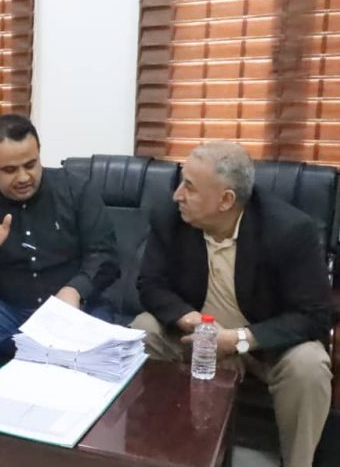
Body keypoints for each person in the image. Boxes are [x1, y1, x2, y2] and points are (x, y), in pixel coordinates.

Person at [133, 141, 333, 467]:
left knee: (309, 365)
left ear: (226, 200)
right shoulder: (171, 217)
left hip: (264, 347)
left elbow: (315, 315)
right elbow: (151, 285)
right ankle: (155, 451)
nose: (177, 195)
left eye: (190, 187)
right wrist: (192, 321)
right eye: (181, 182)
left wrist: (238, 340)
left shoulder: (289, 230)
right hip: (196, 339)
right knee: (144, 329)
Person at [0, 114, 120, 388]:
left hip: (74, 307)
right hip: (8, 311)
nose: (24, 177)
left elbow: (105, 255)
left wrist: (75, 290)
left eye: (31, 165)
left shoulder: (76, 190)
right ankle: (0, 397)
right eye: (10, 170)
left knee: (101, 353)